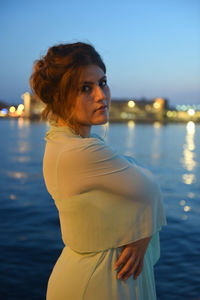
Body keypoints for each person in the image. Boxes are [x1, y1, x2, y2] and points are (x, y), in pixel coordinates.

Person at [30, 42, 166, 300]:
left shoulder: (65, 143)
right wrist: (141, 234)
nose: (101, 95)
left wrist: (141, 233)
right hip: (97, 283)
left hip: (103, 275)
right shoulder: (79, 152)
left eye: (102, 83)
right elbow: (150, 188)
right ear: (59, 98)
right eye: (85, 88)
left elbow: (145, 188)